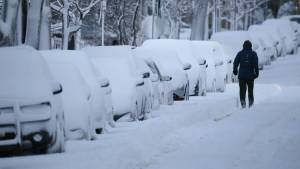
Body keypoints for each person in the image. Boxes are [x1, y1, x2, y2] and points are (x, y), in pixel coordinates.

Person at [233, 40, 259, 108]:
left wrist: (235, 70)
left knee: (242, 90)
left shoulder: (240, 53)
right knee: (250, 90)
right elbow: (256, 64)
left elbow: (235, 62)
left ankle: (243, 102)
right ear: (251, 46)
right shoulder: (253, 54)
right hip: (250, 75)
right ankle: (250, 102)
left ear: (243, 46)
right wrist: (256, 73)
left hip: (242, 76)